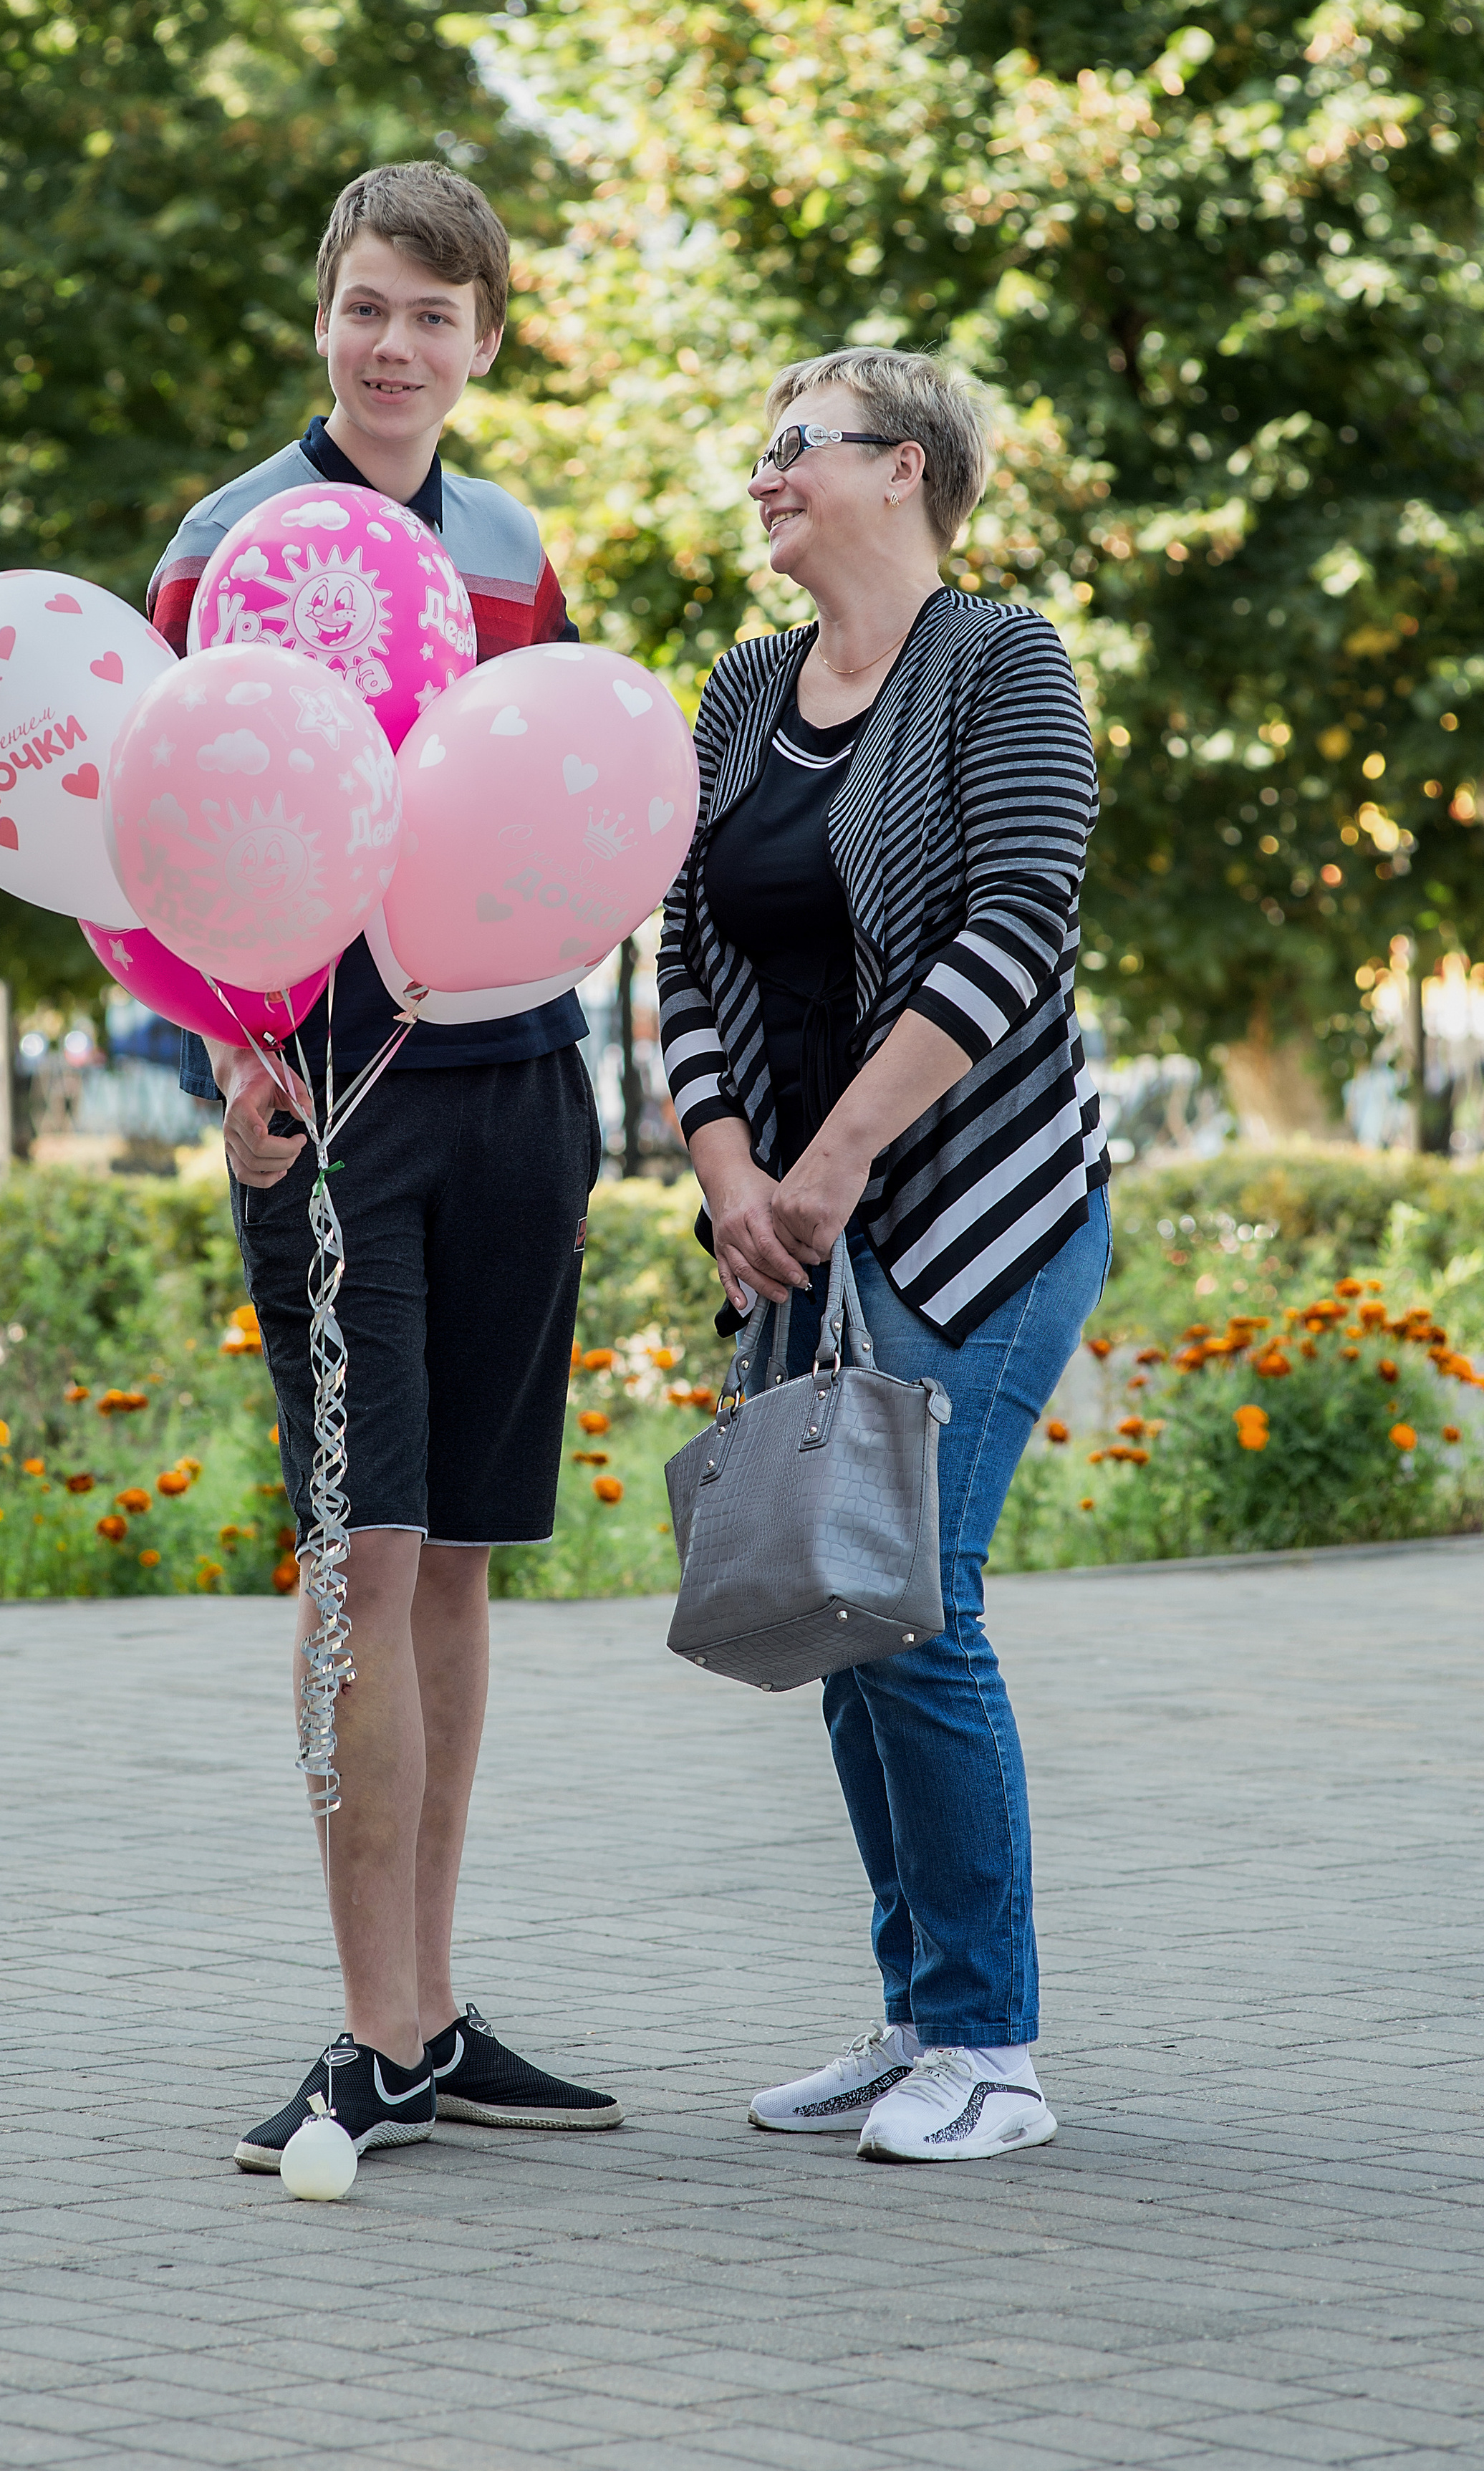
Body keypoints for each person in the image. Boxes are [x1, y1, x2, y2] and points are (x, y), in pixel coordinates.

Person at [148, 163, 622, 2167]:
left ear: (484, 339)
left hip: (520, 1083)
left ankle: (429, 2012)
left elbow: (570, 796)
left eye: (435, 313)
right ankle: (365, 2030)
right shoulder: (224, 543)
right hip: (328, 1106)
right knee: (363, 1553)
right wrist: (226, 1054)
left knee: (460, 1564)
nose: (394, 345)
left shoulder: (513, 550)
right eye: (366, 306)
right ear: (321, 318)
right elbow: (147, 829)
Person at [656, 348, 1110, 2163]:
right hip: (795, 1231)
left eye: (795, 445)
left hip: (980, 1208)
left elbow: (1014, 925)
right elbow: (679, 950)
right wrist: (728, 1172)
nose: (762, 475)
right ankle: (920, 2016)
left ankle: (991, 2051)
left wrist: (832, 1161)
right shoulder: (741, 688)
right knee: (845, 1609)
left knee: (915, 1598)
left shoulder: (1005, 663)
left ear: (903, 465)